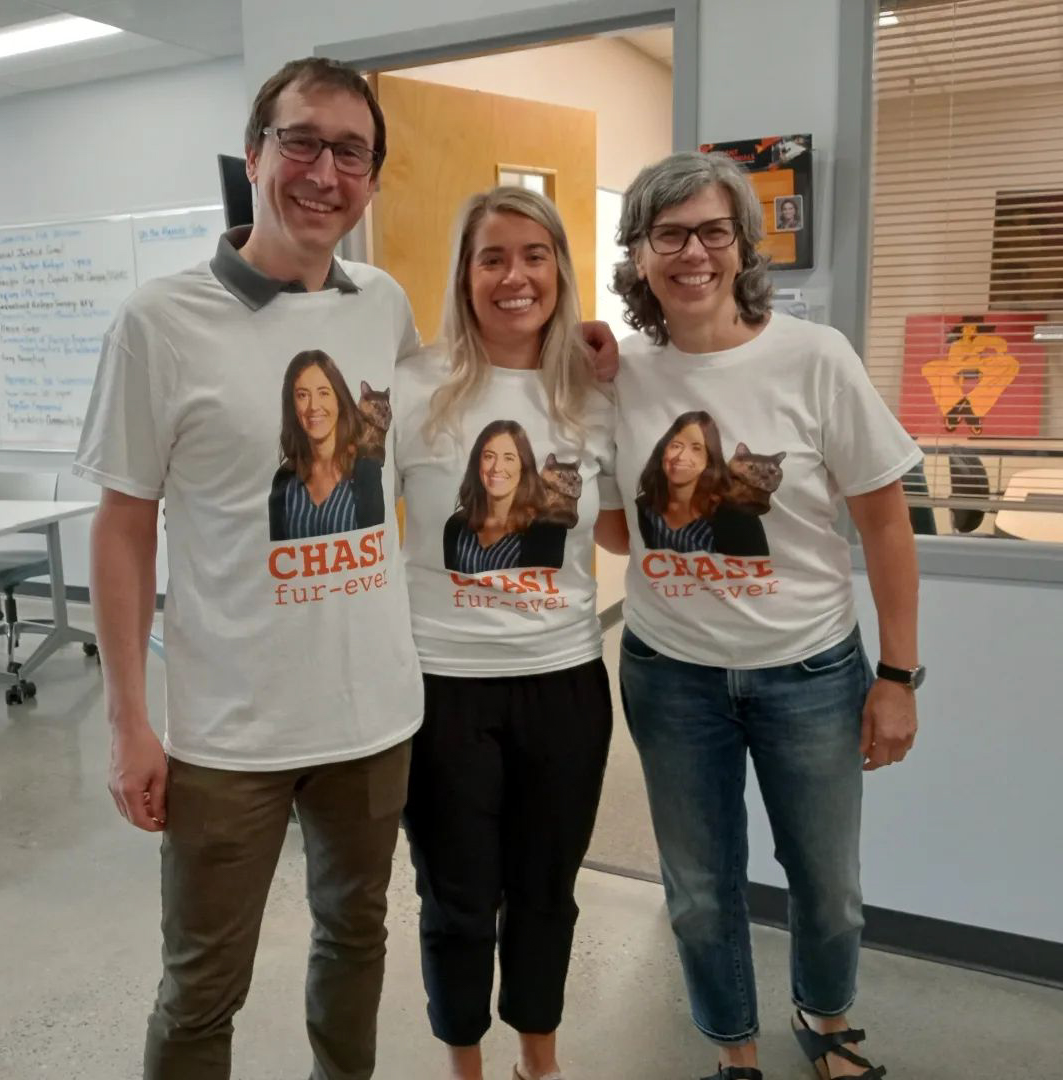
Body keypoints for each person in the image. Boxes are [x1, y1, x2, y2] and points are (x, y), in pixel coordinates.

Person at [73, 57, 427, 1080]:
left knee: (357, 942)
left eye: (350, 152)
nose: (324, 171)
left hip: (372, 720)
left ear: (371, 178)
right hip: (227, 735)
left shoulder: (384, 304)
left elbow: (455, 415)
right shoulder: (159, 324)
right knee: (201, 985)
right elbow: (124, 525)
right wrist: (130, 721)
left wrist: (581, 357)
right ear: (256, 155)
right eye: (301, 142)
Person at [603, 150, 924, 1080]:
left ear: (744, 244)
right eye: (669, 234)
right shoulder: (619, 374)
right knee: (700, 893)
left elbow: (888, 527)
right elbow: (622, 537)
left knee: (830, 891)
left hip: (812, 674)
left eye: (712, 230)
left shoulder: (812, 357)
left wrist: (898, 679)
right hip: (670, 677)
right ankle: (733, 1051)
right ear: (641, 253)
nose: (692, 252)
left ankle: (824, 1026)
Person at [394, 186, 623, 1080]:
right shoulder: (413, 384)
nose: (515, 276)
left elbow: (622, 526)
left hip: (564, 682)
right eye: (493, 257)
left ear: (561, 269)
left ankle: (540, 1060)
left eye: (535, 255)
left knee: (544, 895)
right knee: (455, 899)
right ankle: (465, 1066)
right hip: (440, 689)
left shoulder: (596, 391)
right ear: (464, 273)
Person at [268, 348, 385, 540]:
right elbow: (280, 562)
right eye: (302, 395)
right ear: (293, 406)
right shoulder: (284, 480)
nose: (313, 406)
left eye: (323, 393)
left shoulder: (366, 470)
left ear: (339, 399)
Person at [636, 409, 768, 555]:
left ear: (709, 459)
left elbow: (755, 575)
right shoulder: (646, 508)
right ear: (662, 451)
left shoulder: (737, 516)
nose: (681, 456)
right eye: (676, 445)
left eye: (696, 448)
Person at [443, 419, 567, 572]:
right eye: (489, 456)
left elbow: (542, 593)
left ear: (524, 466)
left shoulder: (548, 529)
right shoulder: (455, 527)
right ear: (477, 463)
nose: (497, 467)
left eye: (508, 458)